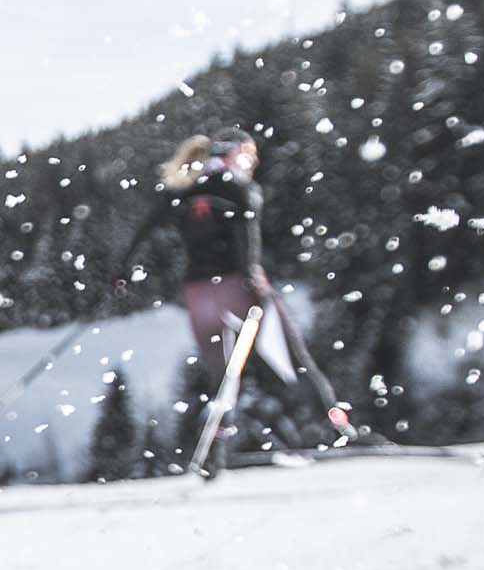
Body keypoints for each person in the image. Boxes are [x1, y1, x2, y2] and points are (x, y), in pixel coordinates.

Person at [123, 131, 357, 467]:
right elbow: (246, 230)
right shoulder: (239, 187)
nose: (255, 160)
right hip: (237, 286)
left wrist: (123, 272)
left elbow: (146, 230)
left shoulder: (185, 190)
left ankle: (213, 452)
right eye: (250, 152)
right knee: (294, 358)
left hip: (198, 292)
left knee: (223, 377)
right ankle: (336, 426)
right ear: (235, 153)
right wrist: (249, 274)